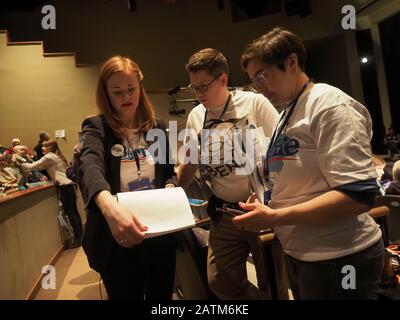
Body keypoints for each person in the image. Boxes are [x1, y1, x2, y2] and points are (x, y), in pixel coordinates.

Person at [235, 27, 385, 300]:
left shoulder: (329, 105)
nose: (259, 88)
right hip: (304, 253)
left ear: (292, 62)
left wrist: (275, 217)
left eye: (262, 76)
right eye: (253, 82)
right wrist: (268, 204)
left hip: (339, 258)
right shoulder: (289, 110)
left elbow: (359, 195)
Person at [178, 48, 287, 299]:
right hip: (224, 212)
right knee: (219, 280)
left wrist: (266, 192)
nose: (198, 94)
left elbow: (283, 151)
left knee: (272, 281)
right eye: (193, 87)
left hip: (260, 209)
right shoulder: (197, 115)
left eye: (203, 87)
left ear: (223, 79)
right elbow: (191, 160)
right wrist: (176, 187)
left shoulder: (254, 103)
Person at [76, 56, 177, 300]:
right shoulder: (96, 127)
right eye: (117, 91)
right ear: (106, 94)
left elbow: (168, 173)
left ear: (140, 88)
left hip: (158, 234)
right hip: (116, 238)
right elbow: (90, 166)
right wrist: (109, 205)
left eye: (131, 89)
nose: (126, 97)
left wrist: (172, 187)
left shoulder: (158, 127)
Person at [22, 140, 83, 246]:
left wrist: (17, 160)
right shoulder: (54, 155)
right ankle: (81, 237)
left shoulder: (49, 156)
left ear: (50, 147)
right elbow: (39, 167)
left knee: (71, 213)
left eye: (44, 146)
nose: (41, 149)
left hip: (65, 186)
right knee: (74, 212)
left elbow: (30, 167)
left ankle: (78, 239)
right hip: (69, 185)